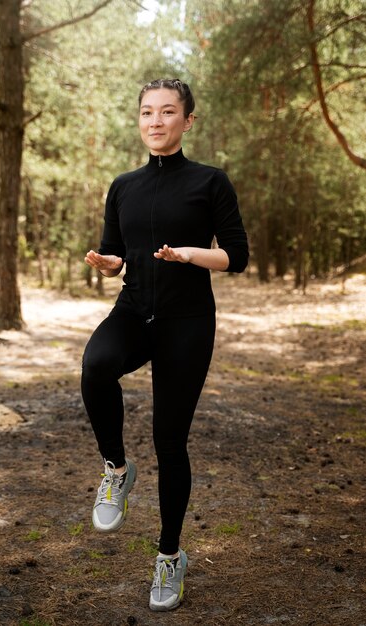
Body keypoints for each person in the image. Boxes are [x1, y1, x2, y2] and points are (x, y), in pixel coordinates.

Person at [81, 78, 249, 612]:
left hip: (187, 320)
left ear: (187, 121)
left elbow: (237, 256)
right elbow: (116, 256)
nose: (156, 121)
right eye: (148, 112)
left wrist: (189, 255)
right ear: (140, 120)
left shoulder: (210, 181)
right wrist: (110, 264)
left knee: (169, 440)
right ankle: (115, 469)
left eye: (168, 112)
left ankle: (170, 557)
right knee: (95, 366)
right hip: (134, 310)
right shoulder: (123, 186)